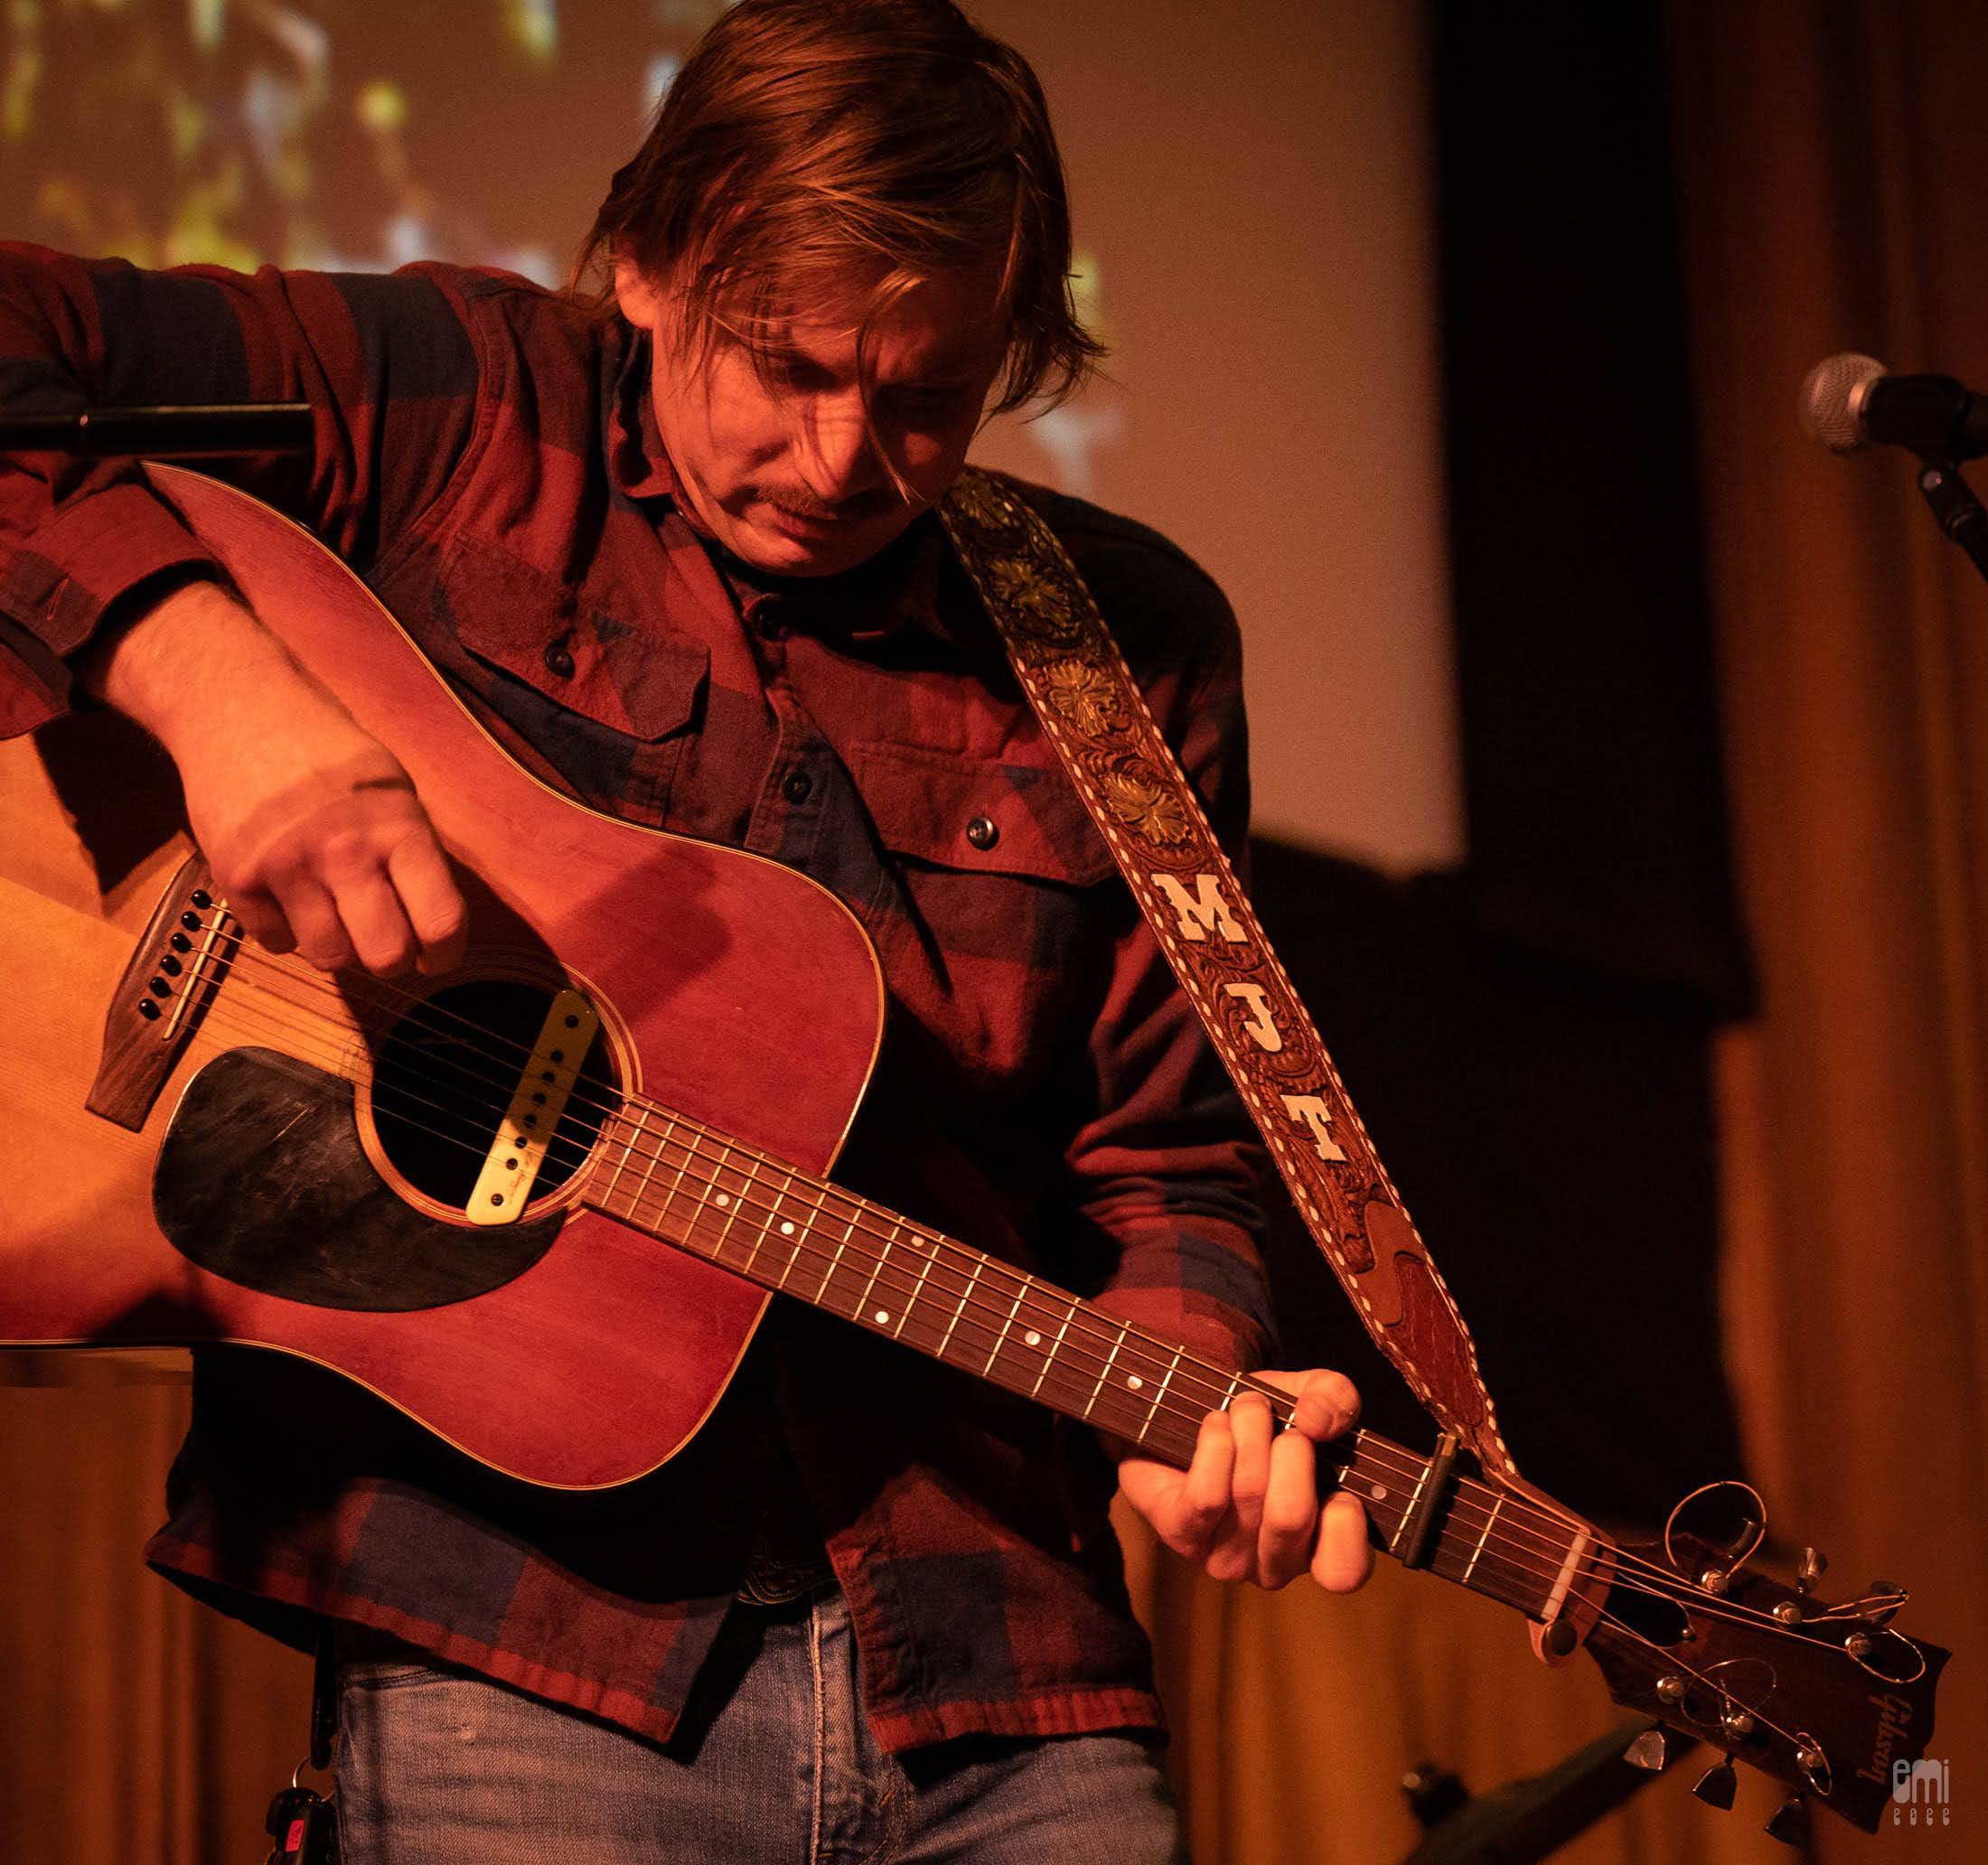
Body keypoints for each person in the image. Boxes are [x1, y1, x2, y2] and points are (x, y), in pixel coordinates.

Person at [0, 3, 1370, 1857]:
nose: (839, 455)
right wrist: (205, 681)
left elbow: (1164, 1158)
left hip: (997, 1660)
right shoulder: (460, 408)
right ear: (643, 263)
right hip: (519, 1643)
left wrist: (1195, 1408)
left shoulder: (1115, 648)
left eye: (923, 396)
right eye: (786, 365)